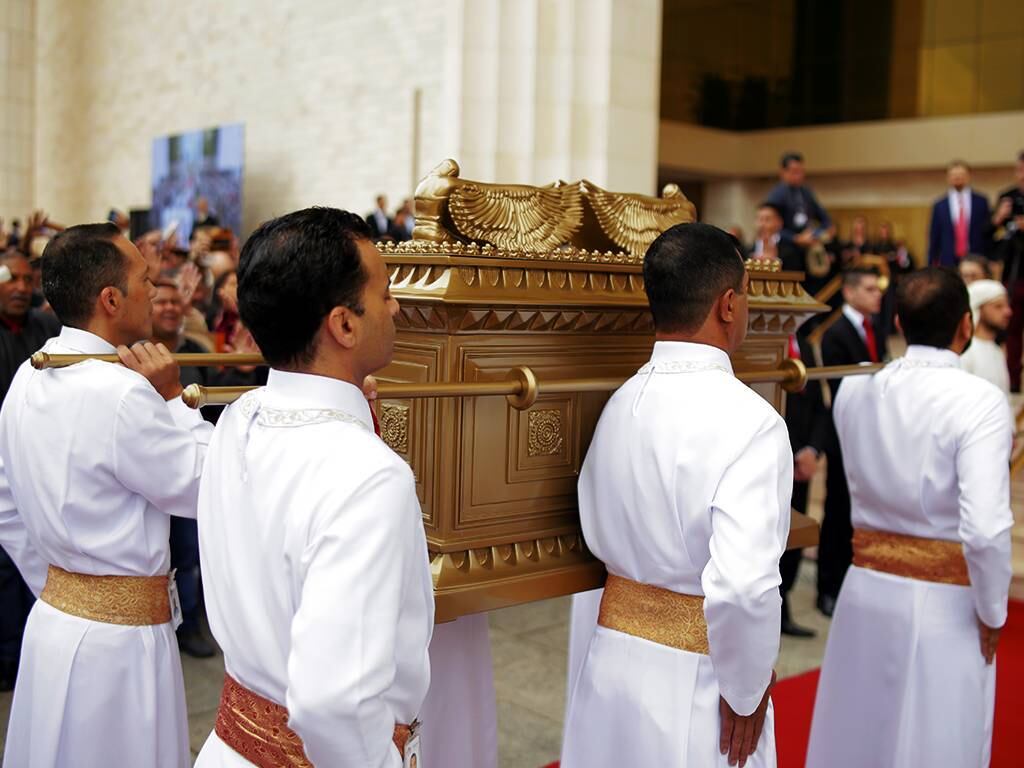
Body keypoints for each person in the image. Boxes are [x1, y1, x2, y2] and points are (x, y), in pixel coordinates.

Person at [194, 207, 433, 767]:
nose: (396, 307)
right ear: (344, 325)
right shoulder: (370, 476)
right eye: (384, 293)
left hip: (230, 747)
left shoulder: (239, 416)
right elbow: (335, 702)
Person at [562, 223, 790, 768]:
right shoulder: (752, 422)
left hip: (612, 663)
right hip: (701, 681)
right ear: (729, 304)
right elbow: (744, 586)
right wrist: (746, 688)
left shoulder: (619, 402)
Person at [0, 222, 213, 767]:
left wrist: (61, 582)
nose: (154, 288)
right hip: (118, 646)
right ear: (111, 298)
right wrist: (172, 401)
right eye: (146, 279)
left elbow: (6, 506)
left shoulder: (29, 373)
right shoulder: (124, 393)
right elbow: (203, 487)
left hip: (53, 620)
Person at [806, 268, 1012, 768]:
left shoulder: (857, 389)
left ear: (898, 320)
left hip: (866, 587)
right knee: (933, 737)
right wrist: (992, 610)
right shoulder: (980, 401)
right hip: (944, 600)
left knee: (859, 730)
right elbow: (985, 529)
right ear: (966, 326)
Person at [0, 250, 60, 691]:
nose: (22, 287)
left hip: (39, 465)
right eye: (11, 279)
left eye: (27, 278)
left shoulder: (44, 330)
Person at [150, 277, 218, 658]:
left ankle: (189, 624)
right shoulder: (131, 357)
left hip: (192, 464)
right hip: (154, 471)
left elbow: (210, 405)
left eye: (177, 302)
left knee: (191, 554)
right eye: (161, 301)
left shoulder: (195, 351)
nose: (171, 309)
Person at [814, 267, 883, 617]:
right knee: (838, 509)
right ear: (851, 292)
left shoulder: (876, 327)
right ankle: (827, 586)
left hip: (871, 431)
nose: (878, 294)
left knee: (860, 510)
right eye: (870, 288)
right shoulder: (836, 333)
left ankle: (853, 580)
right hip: (845, 431)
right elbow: (843, 386)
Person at [992, 151, 1024, 390]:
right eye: (1020, 170)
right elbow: (987, 237)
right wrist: (999, 218)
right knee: (1011, 332)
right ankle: (1012, 383)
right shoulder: (1007, 198)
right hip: (1014, 275)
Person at [928, 160, 992, 267]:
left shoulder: (981, 201)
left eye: (961, 174)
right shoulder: (940, 205)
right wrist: (931, 261)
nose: (957, 178)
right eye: (954, 175)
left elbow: (987, 230)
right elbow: (934, 235)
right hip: (949, 260)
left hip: (976, 257)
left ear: (968, 176)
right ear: (947, 178)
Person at [764, 152, 833, 247]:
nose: (799, 176)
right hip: (786, 246)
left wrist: (824, 230)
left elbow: (823, 217)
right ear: (783, 172)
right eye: (795, 172)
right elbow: (772, 228)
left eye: (801, 171)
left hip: (807, 241)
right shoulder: (776, 196)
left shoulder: (806, 193)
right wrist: (795, 238)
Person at [961, 279, 1012, 395]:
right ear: (978, 308)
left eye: (1007, 305)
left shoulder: (997, 350)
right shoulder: (966, 352)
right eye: (998, 306)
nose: (1008, 312)